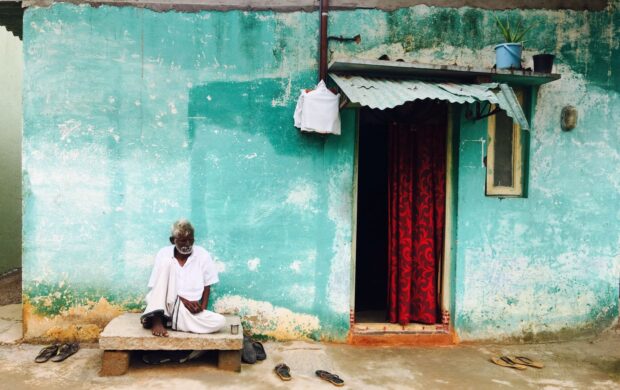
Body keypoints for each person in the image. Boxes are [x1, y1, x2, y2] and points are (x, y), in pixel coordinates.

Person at [141, 219, 226, 337]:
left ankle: (170, 322)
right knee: (152, 294)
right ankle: (157, 320)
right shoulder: (164, 254)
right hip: (166, 303)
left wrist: (202, 309)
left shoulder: (202, 255)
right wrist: (182, 300)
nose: (187, 244)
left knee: (220, 321)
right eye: (182, 240)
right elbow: (157, 287)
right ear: (173, 240)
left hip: (187, 310)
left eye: (190, 240)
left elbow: (208, 285)